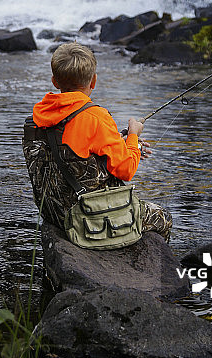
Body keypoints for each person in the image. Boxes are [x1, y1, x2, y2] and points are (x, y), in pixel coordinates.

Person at [23, 42, 172, 242]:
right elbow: (126, 170)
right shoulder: (96, 117)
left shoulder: (36, 117)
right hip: (87, 218)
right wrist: (134, 135)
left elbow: (72, 150)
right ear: (93, 81)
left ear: (54, 81)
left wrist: (126, 143)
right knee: (163, 217)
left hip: (53, 213)